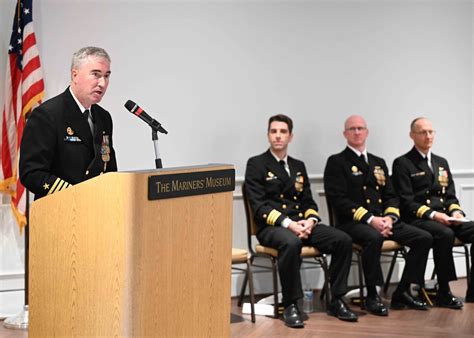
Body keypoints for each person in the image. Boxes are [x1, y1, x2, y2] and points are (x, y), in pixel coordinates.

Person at [245, 114, 358, 328]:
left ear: (291, 136)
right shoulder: (257, 164)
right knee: (291, 242)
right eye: (273, 131)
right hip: (272, 228)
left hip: (302, 225)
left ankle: (336, 299)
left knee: (342, 239)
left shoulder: (298, 165)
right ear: (268, 135)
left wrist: (310, 222)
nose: (278, 136)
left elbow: (308, 201)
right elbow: (259, 207)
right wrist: (290, 224)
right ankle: (291, 304)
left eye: (283, 132)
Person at [323, 115, 433, 316]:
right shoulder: (337, 162)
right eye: (352, 129)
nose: (357, 132)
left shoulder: (378, 162)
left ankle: (402, 291)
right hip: (353, 223)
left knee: (423, 238)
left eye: (360, 128)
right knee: (373, 237)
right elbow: (339, 200)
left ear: (367, 132)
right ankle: (373, 294)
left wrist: (390, 218)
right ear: (345, 134)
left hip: (383, 220)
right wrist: (370, 219)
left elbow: (391, 196)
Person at [392, 117, 474, 308]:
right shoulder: (402, 163)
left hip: (447, 217)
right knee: (444, 234)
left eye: (431, 132)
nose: (428, 136)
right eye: (422, 132)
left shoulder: (441, 162)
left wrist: (457, 214)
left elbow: (451, 196)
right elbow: (406, 201)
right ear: (412, 136)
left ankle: (473, 292)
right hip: (418, 218)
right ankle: (444, 291)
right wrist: (435, 215)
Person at [19, 46, 117, 199]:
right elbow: (31, 173)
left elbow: (109, 169)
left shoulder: (103, 117)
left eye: (106, 76)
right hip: (59, 212)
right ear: (75, 75)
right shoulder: (47, 115)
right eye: (96, 75)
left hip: (96, 212)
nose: (102, 83)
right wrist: (73, 195)